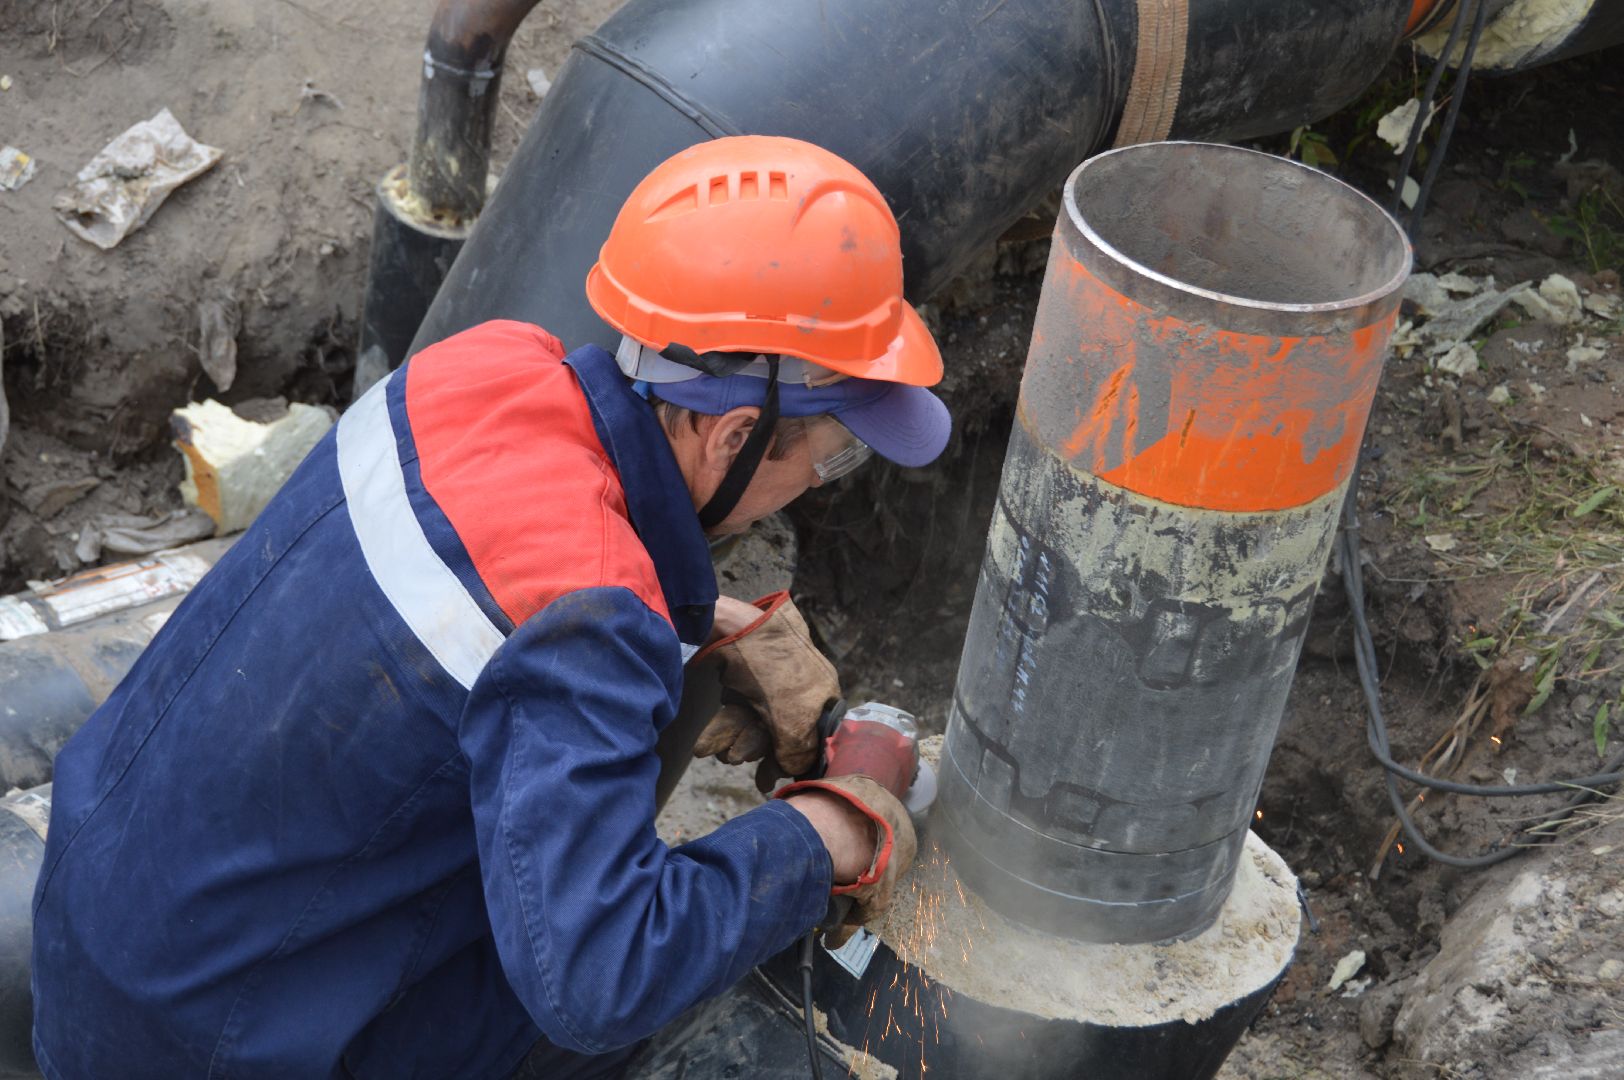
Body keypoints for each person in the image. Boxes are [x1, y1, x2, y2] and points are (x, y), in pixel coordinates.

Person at [30, 135, 951, 1079]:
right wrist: (819, 838)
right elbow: (602, 980)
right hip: (209, 1048)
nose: (822, 482)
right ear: (737, 433)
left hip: (100, 926)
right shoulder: (586, 623)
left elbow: (495, 576)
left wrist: (689, 622)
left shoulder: (482, 370)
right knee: (616, 1000)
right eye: (833, 457)